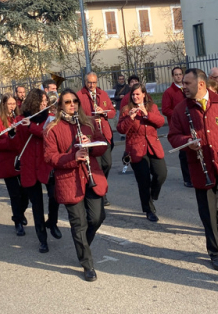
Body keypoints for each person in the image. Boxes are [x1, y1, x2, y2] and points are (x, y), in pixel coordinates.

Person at [167, 69, 218, 272]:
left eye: (187, 83)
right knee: (210, 214)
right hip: (201, 168)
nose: (183, 87)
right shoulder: (181, 109)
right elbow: (173, 136)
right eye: (183, 83)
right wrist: (187, 141)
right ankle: (216, 252)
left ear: (201, 84)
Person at [44, 89, 108, 282]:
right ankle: (87, 264)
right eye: (67, 102)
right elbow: (50, 157)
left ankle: (82, 245)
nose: (72, 104)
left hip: (90, 176)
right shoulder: (52, 128)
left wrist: (91, 144)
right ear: (60, 106)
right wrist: (73, 156)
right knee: (79, 223)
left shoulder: (87, 123)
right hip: (69, 180)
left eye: (75, 101)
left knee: (97, 217)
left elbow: (103, 144)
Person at [15, 89, 62, 253]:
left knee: (55, 195)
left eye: (45, 101)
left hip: (46, 164)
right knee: (37, 205)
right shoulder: (21, 119)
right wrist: (14, 131)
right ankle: (42, 239)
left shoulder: (50, 118)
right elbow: (17, 143)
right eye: (41, 101)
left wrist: (31, 126)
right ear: (33, 102)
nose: (44, 104)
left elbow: (47, 134)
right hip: (29, 165)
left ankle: (52, 222)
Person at [116, 84, 167, 222]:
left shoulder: (152, 107)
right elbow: (121, 129)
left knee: (161, 174)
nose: (135, 97)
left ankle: (152, 195)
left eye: (138, 94)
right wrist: (130, 118)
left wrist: (147, 114)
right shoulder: (126, 110)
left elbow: (160, 122)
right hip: (136, 149)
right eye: (133, 94)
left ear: (144, 94)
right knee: (143, 181)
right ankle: (149, 210)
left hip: (153, 146)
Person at [0, 94, 27, 235]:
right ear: (3, 105)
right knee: (15, 194)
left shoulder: (18, 118)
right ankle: (18, 222)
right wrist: (11, 139)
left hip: (21, 159)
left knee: (25, 193)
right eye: (9, 104)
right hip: (7, 161)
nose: (12, 106)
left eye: (13, 104)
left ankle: (20, 213)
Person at [77, 73, 115, 203]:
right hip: (91, 134)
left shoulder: (102, 94)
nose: (92, 85)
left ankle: (101, 186)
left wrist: (104, 112)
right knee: (96, 166)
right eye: (89, 82)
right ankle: (101, 194)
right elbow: (77, 114)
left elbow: (112, 111)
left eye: (94, 83)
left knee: (107, 163)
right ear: (85, 82)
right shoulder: (79, 95)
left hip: (104, 133)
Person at [161, 67, 192, 188]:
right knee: (184, 152)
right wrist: (178, 113)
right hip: (179, 125)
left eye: (180, 74)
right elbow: (165, 109)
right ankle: (187, 179)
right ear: (173, 77)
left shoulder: (187, 88)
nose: (178, 76)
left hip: (191, 123)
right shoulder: (169, 92)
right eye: (176, 75)